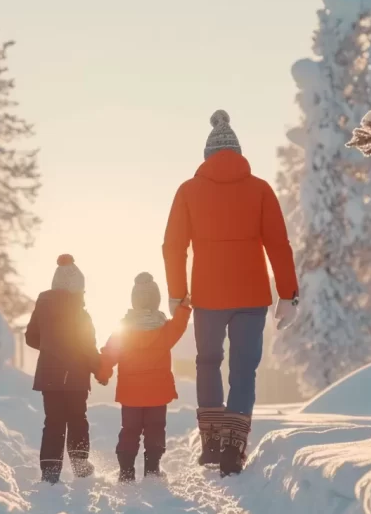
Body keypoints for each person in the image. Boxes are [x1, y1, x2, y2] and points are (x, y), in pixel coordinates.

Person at [162, 110, 299, 477]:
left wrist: (177, 294)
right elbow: (279, 245)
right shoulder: (260, 189)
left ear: (207, 156)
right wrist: (288, 294)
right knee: (244, 369)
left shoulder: (188, 191)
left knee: (208, 362)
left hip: (207, 296)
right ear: (238, 153)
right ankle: (233, 447)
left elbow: (173, 246)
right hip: (252, 295)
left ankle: (210, 442)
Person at [97, 273, 192, 482]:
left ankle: (126, 472)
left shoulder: (123, 330)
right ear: (156, 300)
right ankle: (152, 470)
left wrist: (103, 372)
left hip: (130, 393)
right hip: (157, 393)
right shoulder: (165, 329)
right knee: (155, 429)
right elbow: (180, 324)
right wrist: (184, 307)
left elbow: (109, 353)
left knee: (129, 430)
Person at [25, 254, 100, 484]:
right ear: (78, 289)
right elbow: (87, 345)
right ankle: (79, 464)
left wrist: (49, 348)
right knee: (77, 418)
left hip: (49, 375)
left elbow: (30, 337)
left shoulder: (43, 307)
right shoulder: (80, 311)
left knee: (53, 422)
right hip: (76, 376)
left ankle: (50, 472)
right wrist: (98, 366)